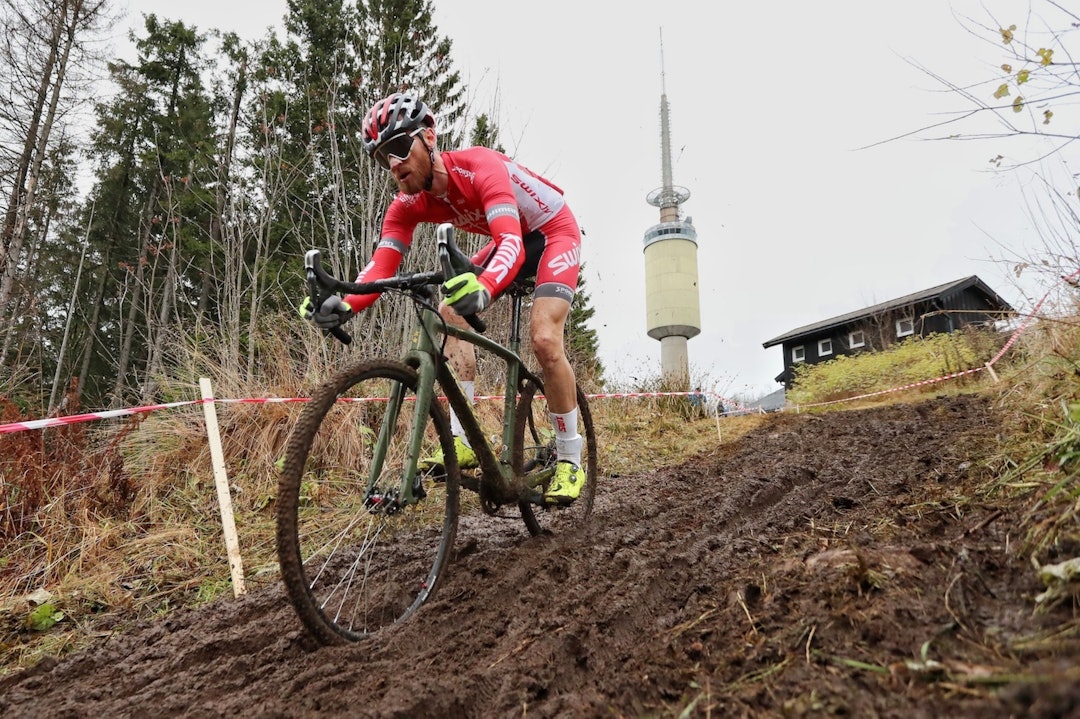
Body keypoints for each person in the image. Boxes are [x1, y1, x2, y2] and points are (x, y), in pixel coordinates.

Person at [303, 92, 585, 506]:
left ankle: (570, 459)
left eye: (400, 147)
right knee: (448, 308)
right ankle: (463, 438)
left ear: (429, 137)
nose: (394, 163)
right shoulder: (407, 204)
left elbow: (513, 243)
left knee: (544, 339)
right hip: (510, 242)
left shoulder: (480, 167)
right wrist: (344, 303)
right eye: (383, 157)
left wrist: (485, 288)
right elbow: (380, 266)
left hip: (552, 234)